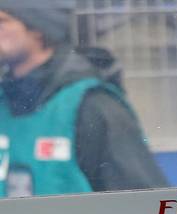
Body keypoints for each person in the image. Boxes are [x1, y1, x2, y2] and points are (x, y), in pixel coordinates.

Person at [0, 0, 166, 197]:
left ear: (38, 29)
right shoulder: (6, 101)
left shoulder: (92, 105)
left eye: (3, 21)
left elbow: (145, 201)